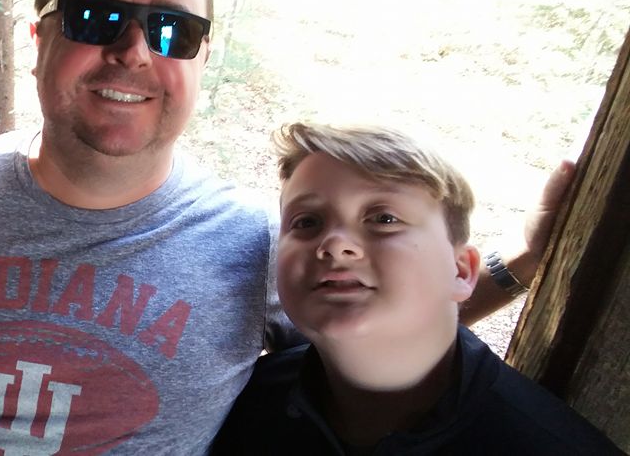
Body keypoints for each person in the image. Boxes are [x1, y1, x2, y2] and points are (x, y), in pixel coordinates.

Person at [0, 0, 564, 453]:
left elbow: (382, 329)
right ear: (38, 39)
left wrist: (520, 264)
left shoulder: (257, 241)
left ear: (201, 59)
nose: (134, 51)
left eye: (173, 30)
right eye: (94, 16)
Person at [211, 123, 622, 455]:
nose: (334, 243)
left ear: (461, 271)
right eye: (306, 222)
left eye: (384, 219)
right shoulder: (244, 405)